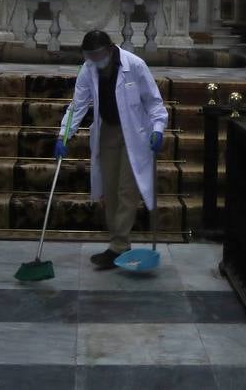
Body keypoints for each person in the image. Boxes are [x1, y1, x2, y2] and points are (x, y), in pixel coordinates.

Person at [55, 30, 168, 269]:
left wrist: (158, 128)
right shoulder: (88, 68)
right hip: (108, 130)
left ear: (109, 49)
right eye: (88, 55)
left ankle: (118, 246)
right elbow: (78, 105)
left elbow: (153, 101)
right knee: (110, 189)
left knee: (127, 189)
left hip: (135, 133)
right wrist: (64, 135)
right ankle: (119, 243)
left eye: (96, 54)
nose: (93, 59)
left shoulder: (134, 65)